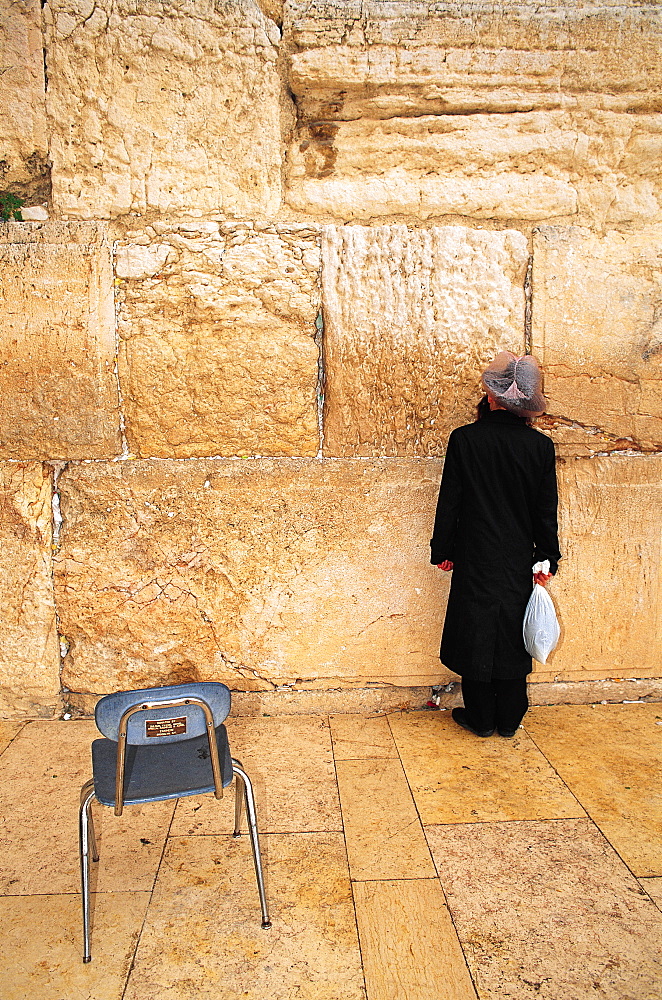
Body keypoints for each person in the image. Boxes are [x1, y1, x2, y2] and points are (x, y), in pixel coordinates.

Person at [430, 352, 561, 738]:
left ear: (492, 395)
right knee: (511, 633)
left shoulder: (465, 440)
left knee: (475, 631)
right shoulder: (539, 447)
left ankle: (481, 718)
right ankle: (509, 719)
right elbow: (545, 510)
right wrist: (547, 557)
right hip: (518, 557)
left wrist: (443, 549)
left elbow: (449, 501)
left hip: (474, 555)